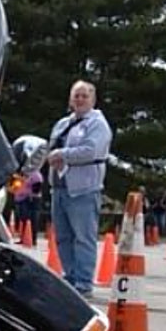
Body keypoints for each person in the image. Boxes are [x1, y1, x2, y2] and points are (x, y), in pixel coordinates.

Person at [46, 80, 113, 298]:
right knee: (63, 236)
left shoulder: (97, 124)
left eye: (85, 95)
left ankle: (83, 282)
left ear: (93, 99)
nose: (80, 99)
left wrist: (63, 155)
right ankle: (70, 276)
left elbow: (91, 150)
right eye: (76, 95)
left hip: (83, 188)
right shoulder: (63, 123)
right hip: (59, 186)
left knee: (83, 237)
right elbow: (51, 147)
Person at [12, 168, 43, 236]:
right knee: (23, 218)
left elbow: (36, 190)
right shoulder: (24, 175)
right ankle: (24, 237)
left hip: (31, 199)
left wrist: (25, 192)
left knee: (31, 219)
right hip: (22, 200)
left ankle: (32, 238)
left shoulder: (35, 175)